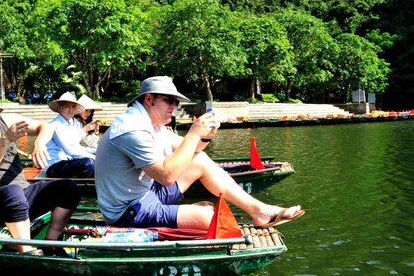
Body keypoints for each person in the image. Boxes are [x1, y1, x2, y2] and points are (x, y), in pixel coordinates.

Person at [95, 76, 304, 230]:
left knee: (200, 160)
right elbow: (167, 177)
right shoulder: (133, 129)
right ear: (149, 100)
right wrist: (194, 134)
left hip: (147, 194)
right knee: (209, 219)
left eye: (176, 103)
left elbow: (190, 150)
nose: (175, 107)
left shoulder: (152, 124)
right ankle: (191, 215)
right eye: (170, 101)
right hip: (128, 212)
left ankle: (259, 210)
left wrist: (204, 136)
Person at [0, 79, 81, 255]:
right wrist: (5, 140)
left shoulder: (6, 119)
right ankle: (26, 251)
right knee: (12, 192)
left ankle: (51, 241)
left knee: (68, 187)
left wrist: (39, 143)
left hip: (21, 198)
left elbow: (46, 126)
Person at [44, 92, 96, 179]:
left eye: (73, 107)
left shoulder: (70, 124)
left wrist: (96, 151)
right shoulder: (56, 125)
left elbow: (77, 147)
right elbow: (70, 151)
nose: (70, 110)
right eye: (67, 106)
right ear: (60, 108)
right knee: (89, 163)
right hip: (55, 166)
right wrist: (94, 157)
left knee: (93, 161)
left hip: (68, 162)